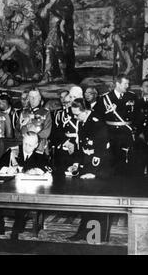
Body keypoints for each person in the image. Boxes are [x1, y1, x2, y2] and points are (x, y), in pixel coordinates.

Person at [66, 99, 113, 242]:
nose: (75, 118)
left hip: (100, 169)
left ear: (85, 111)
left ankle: (98, 236)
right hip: (87, 166)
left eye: (77, 115)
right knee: (86, 200)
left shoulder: (98, 124)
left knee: (98, 203)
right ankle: (83, 231)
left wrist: (94, 172)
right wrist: (76, 164)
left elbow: (100, 151)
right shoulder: (83, 122)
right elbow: (81, 147)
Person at [0, 132, 50, 239]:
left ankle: (16, 230)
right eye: (25, 143)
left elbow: (49, 169)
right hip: (10, 189)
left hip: (28, 192)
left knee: (22, 202)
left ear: (36, 145)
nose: (27, 147)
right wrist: (7, 169)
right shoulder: (13, 152)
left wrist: (38, 171)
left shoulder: (40, 156)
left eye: (30, 145)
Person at [95, 74, 136, 175]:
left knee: (127, 160)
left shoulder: (132, 96)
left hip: (127, 132)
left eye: (128, 83)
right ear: (117, 84)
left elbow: (137, 115)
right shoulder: (105, 98)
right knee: (112, 160)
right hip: (111, 133)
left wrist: (135, 129)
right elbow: (97, 117)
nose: (127, 86)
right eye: (125, 83)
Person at [38, 0, 75, 83]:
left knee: (60, 53)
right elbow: (42, 14)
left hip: (60, 28)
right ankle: (47, 76)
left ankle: (64, 75)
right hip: (51, 28)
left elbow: (68, 10)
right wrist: (44, 8)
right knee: (49, 51)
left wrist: (63, 21)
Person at [17, 88, 52, 154]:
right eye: (31, 97)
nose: (33, 99)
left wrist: (32, 140)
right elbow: (17, 130)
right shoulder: (23, 112)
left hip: (39, 147)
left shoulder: (45, 113)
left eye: (35, 97)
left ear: (39, 98)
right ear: (28, 98)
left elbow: (46, 132)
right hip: (24, 147)